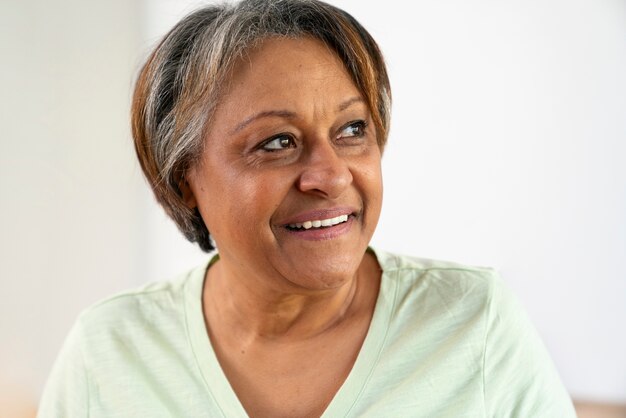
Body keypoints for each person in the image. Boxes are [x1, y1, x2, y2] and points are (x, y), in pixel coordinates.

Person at [38, 0, 576, 416]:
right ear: (185, 184)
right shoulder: (108, 351)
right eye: (276, 142)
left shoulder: (473, 322)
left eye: (351, 130)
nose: (332, 175)